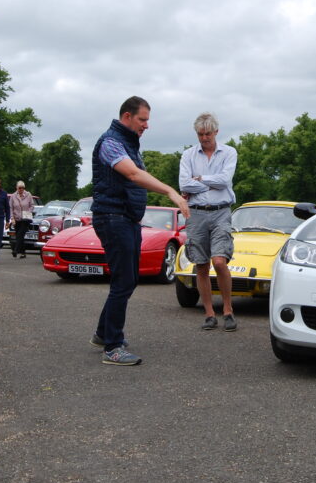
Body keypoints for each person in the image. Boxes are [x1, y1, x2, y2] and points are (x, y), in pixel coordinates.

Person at [91, 96, 191, 366]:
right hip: (113, 218)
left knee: (128, 279)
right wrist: (170, 191)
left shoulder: (129, 143)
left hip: (127, 219)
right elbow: (133, 175)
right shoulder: (111, 142)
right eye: (142, 119)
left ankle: (103, 333)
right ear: (127, 117)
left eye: (147, 120)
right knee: (123, 281)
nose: (147, 125)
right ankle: (112, 347)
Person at [179, 112, 238, 332]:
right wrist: (206, 184)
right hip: (196, 214)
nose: (204, 138)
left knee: (219, 262)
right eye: (200, 134)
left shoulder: (229, 152)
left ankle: (228, 310)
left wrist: (200, 179)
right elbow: (184, 184)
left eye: (207, 134)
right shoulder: (188, 155)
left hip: (221, 211)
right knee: (201, 264)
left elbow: (225, 181)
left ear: (216, 132)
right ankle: (209, 313)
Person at [9, 180, 35, 258]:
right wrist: (12, 218)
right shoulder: (13, 196)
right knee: (19, 236)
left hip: (25, 219)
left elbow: (32, 206)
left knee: (20, 234)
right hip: (17, 219)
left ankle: (15, 250)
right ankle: (23, 253)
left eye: (22, 188)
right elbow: (11, 208)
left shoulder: (28, 195)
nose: (21, 189)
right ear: (16, 188)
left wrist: (28, 212)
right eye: (19, 188)